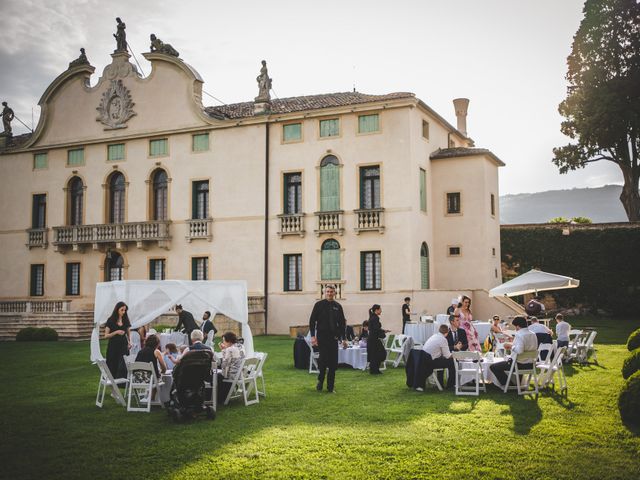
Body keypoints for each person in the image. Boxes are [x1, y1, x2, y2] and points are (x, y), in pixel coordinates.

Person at [308, 284, 346, 393]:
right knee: (323, 361)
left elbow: (342, 324)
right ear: (325, 293)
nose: (329, 293)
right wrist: (313, 336)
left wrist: (344, 339)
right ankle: (320, 381)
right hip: (322, 338)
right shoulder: (319, 305)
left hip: (334, 338)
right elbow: (312, 322)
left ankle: (330, 387)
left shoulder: (338, 306)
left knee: (333, 364)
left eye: (331, 292)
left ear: (335, 293)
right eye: (328, 291)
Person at [489, 316, 538, 387]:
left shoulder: (519, 334)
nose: (515, 329)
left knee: (494, 367)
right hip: (530, 364)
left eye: (515, 327)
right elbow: (530, 347)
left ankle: (508, 384)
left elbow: (519, 351)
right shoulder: (533, 334)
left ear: (517, 326)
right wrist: (512, 346)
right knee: (513, 360)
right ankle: (517, 383)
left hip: (518, 365)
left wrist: (511, 346)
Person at [419, 324, 455, 391]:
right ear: (447, 332)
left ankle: (440, 383)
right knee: (452, 362)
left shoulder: (434, 336)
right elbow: (448, 356)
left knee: (442, 360)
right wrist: (456, 355)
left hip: (424, 359)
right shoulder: (443, 339)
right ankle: (451, 385)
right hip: (430, 361)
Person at [104, 301, 132, 379]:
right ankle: (113, 384)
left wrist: (130, 342)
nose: (124, 312)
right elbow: (106, 336)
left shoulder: (126, 320)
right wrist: (116, 332)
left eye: (125, 310)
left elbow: (129, 333)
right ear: (117, 310)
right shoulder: (110, 320)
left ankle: (122, 383)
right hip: (113, 347)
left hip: (123, 346)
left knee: (123, 364)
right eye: (122, 310)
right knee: (113, 365)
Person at [217, 331, 245, 402]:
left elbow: (224, 365)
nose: (223, 343)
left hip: (233, 375)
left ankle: (220, 397)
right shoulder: (241, 346)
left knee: (217, 375)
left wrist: (223, 350)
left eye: (223, 341)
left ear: (229, 341)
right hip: (241, 373)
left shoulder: (230, 349)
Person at [367, 304, 389, 375]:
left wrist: (383, 330)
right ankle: (374, 370)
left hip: (372, 338)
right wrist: (382, 332)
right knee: (380, 353)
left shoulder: (372, 317)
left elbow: (375, 328)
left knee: (375, 354)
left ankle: (374, 370)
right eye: (380, 309)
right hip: (374, 339)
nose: (381, 310)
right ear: (376, 310)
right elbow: (376, 329)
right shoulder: (375, 318)